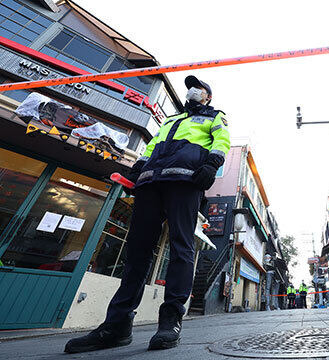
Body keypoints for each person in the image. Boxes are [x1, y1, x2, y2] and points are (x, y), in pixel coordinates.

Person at [64, 75, 230, 353]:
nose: (192, 91)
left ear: (207, 96)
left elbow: (222, 140)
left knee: (182, 247)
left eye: (198, 88)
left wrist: (212, 163)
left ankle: (171, 321)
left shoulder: (215, 116)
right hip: (151, 182)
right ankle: (116, 325)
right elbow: (152, 146)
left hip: (185, 181)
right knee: (137, 252)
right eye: (190, 88)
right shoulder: (170, 120)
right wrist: (138, 167)